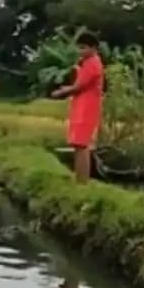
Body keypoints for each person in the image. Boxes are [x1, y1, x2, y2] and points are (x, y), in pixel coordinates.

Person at [50, 32, 104, 183]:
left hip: (87, 108)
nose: (80, 51)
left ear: (93, 48)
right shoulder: (87, 63)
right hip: (81, 106)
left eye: (83, 48)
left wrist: (62, 91)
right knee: (78, 144)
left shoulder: (93, 63)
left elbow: (79, 86)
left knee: (82, 145)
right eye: (79, 48)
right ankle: (79, 179)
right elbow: (79, 85)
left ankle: (82, 182)